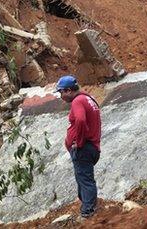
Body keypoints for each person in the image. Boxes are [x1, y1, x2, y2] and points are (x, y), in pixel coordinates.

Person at [56, 75, 101, 218]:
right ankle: (87, 205)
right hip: (92, 147)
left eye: (61, 92)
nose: (61, 95)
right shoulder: (88, 99)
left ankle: (88, 212)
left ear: (69, 90)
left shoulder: (77, 101)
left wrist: (79, 142)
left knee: (85, 180)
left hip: (84, 148)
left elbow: (81, 120)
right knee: (82, 178)